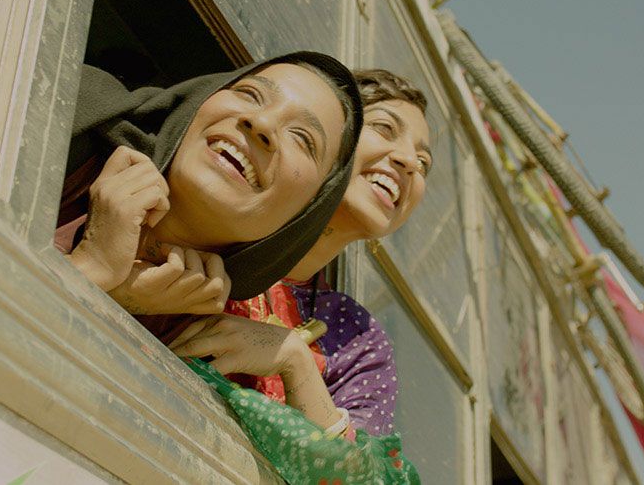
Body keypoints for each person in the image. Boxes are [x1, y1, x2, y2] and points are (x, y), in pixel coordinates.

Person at [169, 69, 430, 440]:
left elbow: (363, 469)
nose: (409, 163)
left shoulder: (357, 338)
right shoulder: (214, 222)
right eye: (385, 128)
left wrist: (295, 362)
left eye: (424, 164)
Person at [55, 52, 364, 316]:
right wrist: (94, 267)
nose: (262, 123)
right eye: (250, 94)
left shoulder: (212, 341)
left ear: (305, 217)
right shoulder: (66, 111)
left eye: (302, 138)